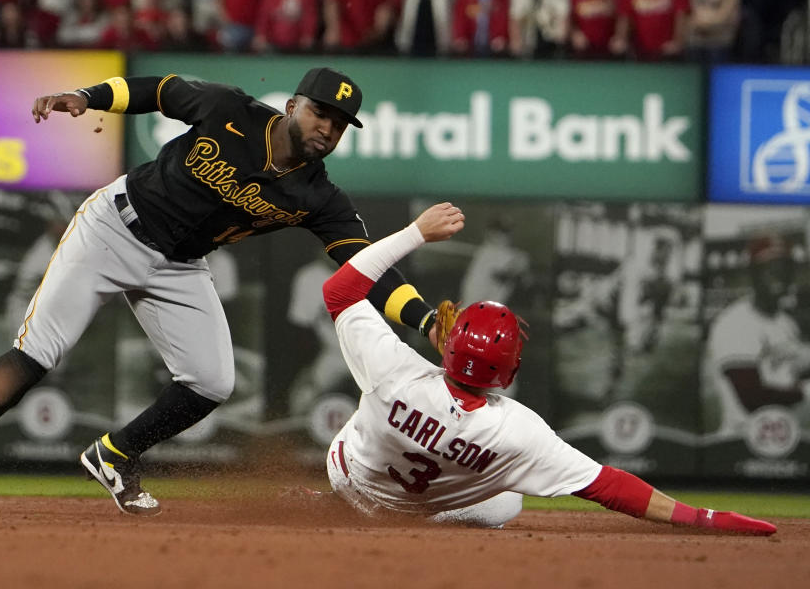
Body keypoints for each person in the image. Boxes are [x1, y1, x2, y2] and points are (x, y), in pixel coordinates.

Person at [0, 67, 444, 517]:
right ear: (294, 106)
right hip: (113, 230)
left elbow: (365, 264)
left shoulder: (319, 196)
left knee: (212, 381)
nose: (328, 127)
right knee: (37, 354)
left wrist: (422, 319)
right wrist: (86, 98)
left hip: (179, 266)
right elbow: (158, 91)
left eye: (341, 123)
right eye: (320, 112)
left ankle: (113, 455)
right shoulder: (231, 109)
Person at [317, 202, 776, 535]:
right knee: (508, 498)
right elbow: (608, 485)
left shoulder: (394, 370)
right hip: (408, 512)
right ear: (509, 371)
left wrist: (416, 232)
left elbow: (340, 291)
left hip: (347, 477)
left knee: (371, 408)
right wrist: (705, 517)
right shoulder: (519, 431)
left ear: (449, 344)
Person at [703, 232, 810, 437]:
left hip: (781, 437)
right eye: (769, 268)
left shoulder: (785, 322)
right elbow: (752, 397)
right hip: (740, 442)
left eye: (784, 268)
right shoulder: (736, 322)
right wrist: (806, 392)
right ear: (753, 274)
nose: (779, 275)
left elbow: (792, 372)